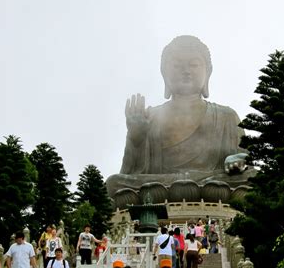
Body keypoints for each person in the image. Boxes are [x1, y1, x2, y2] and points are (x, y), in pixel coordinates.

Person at [106, 35, 254, 198]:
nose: (186, 71)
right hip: (161, 185)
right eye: (177, 65)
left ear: (207, 73)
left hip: (213, 182)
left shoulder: (226, 116)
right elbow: (129, 173)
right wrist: (136, 138)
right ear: (164, 73)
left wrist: (238, 160)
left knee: (254, 178)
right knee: (114, 183)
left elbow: (245, 162)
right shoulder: (151, 117)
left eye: (194, 64)